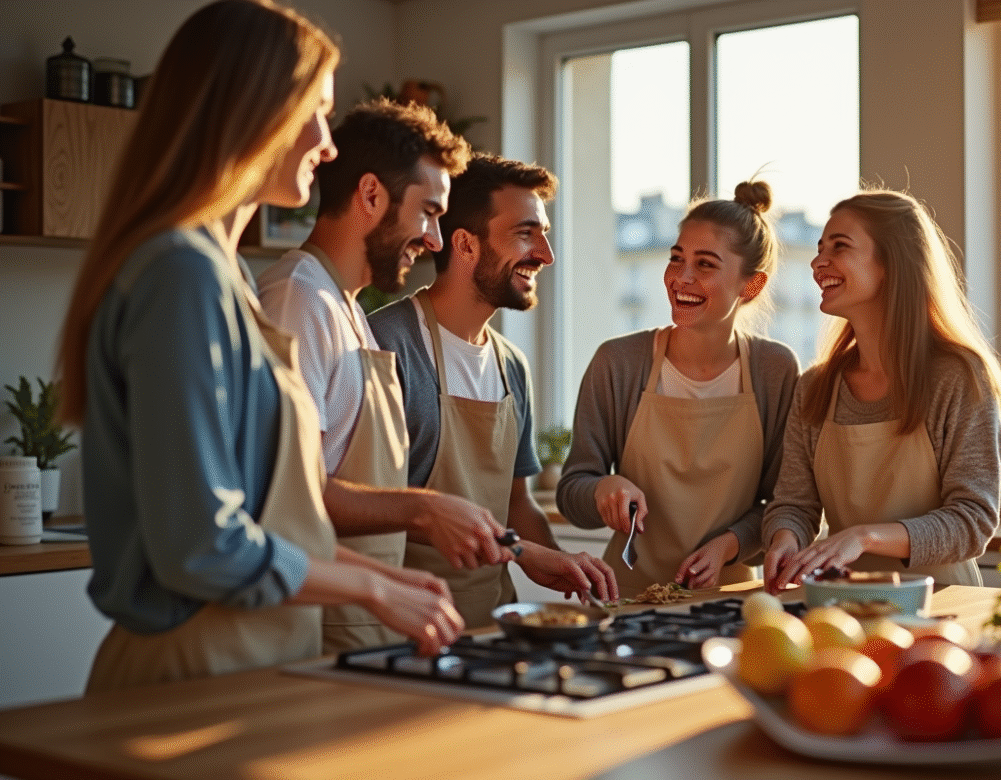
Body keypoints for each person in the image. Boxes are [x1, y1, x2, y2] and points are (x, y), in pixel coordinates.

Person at [56, 0, 462, 693]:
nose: (327, 144)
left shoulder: (223, 275)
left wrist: (383, 578)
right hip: (192, 669)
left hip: (251, 661)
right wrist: (370, 592)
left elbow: (264, 519)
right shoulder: (182, 273)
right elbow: (201, 546)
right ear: (252, 111)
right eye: (316, 110)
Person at [258, 99, 514, 652]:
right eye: (428, 212)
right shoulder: (297, 302)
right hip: (323, 624)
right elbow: (286, 501)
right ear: (371, 195)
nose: (437, 241)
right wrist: (424, 509)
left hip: (364, 622)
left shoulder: (345, 308)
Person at [368, 154, 618, 627]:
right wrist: (523, 553)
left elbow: (516, 504)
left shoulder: (511, 365)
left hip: (490, 624)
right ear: (464, 245)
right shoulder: (386, 345)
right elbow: (367, 506)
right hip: (402, 625)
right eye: (526, 233)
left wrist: (561, 561)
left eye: (543, 234)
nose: (546, 254)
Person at [760, 189, 1001, 594]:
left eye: (839, 246)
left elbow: (972, 520)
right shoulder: (814, 388)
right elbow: (794, 505)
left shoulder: (959, 378)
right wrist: (785, 539)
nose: (817, 261)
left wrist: (864, 537)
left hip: (941, 608)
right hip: (840, 606)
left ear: (892, 264)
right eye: (820, 247)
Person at [556, 181, 800, 597]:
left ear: (751, 285)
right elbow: (570, 493)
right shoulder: (619, 363)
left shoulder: (774, 370)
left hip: (732, 603)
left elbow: (783, 507)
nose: (680, 278)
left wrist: (729, 545)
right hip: (628, 600)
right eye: (676, 258)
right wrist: (602, 489)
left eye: (705, 265)